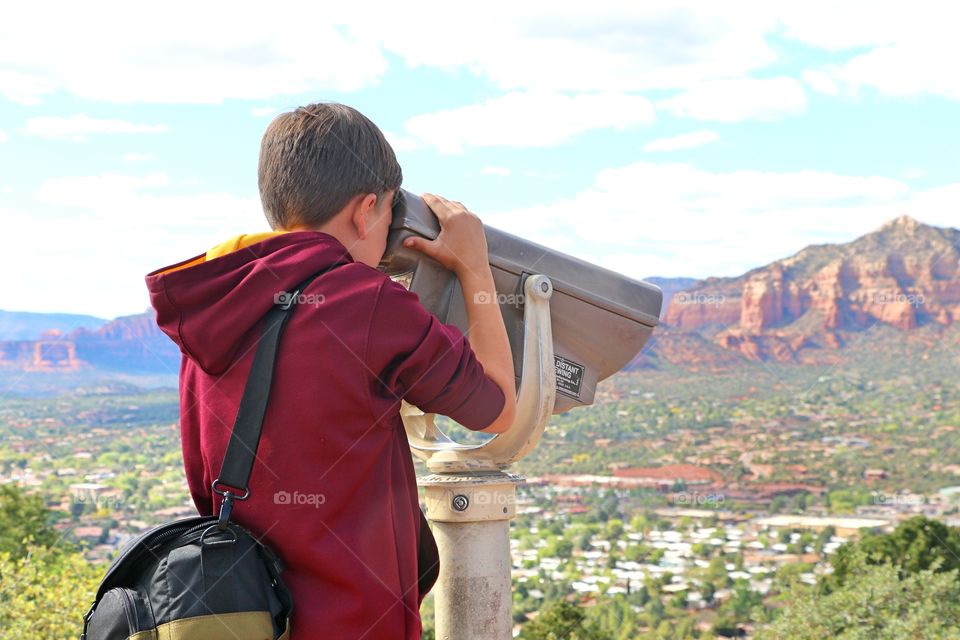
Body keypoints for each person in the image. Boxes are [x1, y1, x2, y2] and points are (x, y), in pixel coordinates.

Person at [144, 102, 516, 639]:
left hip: (244, 617)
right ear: (366, 210)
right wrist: (474, 266)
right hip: (358, 622)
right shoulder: (368, 304)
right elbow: (497, 406)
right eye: (389, 215)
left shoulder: (215, 300)